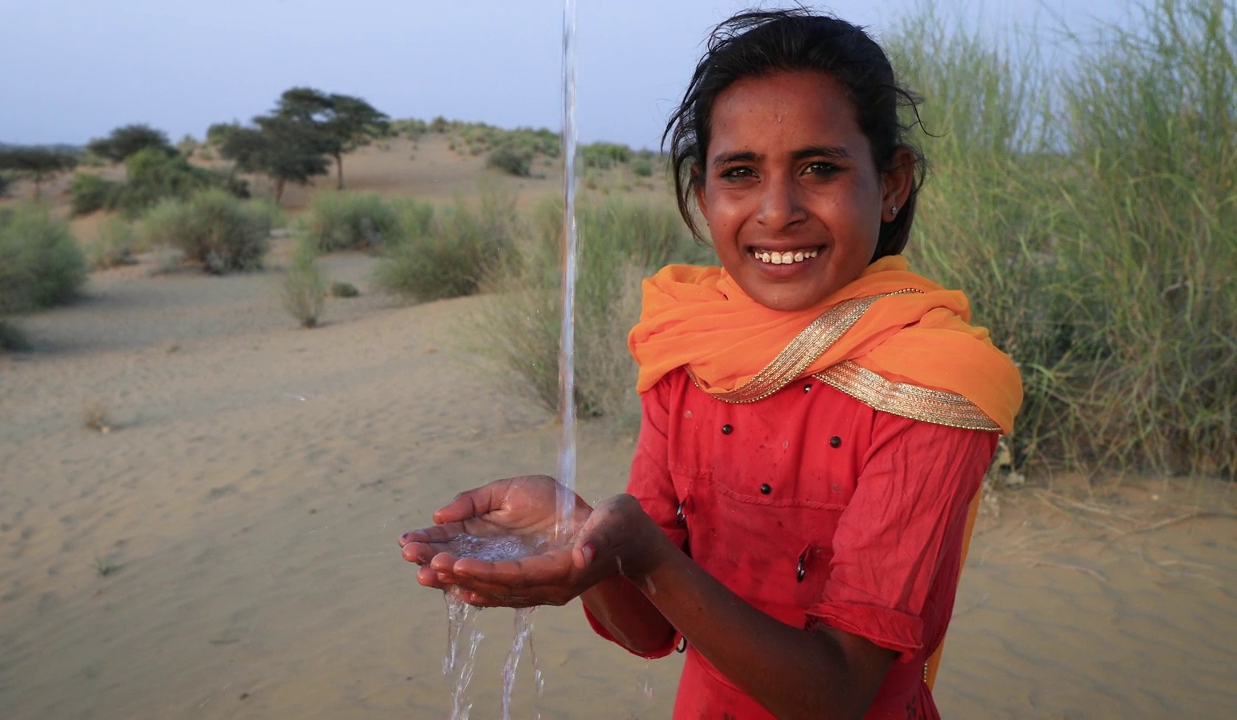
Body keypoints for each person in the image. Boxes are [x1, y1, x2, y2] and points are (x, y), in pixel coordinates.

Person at [400, 8, 1023, 719]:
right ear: (703, 195)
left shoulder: (931, 380)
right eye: (741, 173)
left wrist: (645, 555)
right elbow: (650, 629)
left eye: (820, 168)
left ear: (891, 184)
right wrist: (580, 539)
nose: (777, 209)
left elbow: (837, 693)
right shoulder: (689, 347)